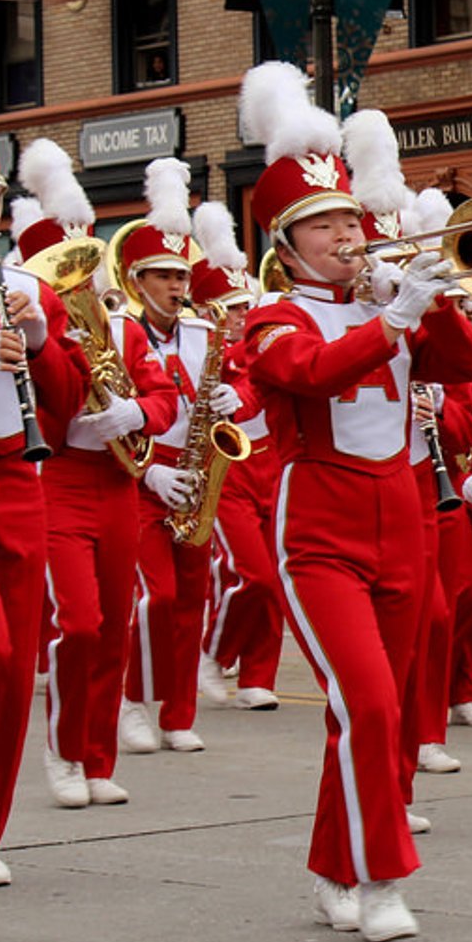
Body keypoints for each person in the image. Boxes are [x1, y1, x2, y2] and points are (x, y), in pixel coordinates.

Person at [237, 61, 472, 942]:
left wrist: (429, 305)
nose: (349, 233)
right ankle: (383, 880)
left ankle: (332, 866)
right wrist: (388, 323)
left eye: (351, 216)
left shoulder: (390, 300)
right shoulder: (273, 314)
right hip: (320, 534)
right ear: (287, 244)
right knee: (374, 707)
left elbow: (469, 370)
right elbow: (300, 373)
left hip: (404, 525)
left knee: (366, 711)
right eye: (325, 223)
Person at [23, 138, 179, 810]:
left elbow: (167, 397)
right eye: (68, 273)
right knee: (77, 623)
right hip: (60, 483)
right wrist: (54, 341)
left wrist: (135, 411)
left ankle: (96, 756)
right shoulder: (40, 333)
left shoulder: (129, 331)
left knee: (113, 622)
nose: (81, 284)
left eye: (86, 268)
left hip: (116, 486)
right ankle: (62, 750)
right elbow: (56, 398)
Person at [0, 107, 86, 886]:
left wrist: (42, 342)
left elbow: (70, 397)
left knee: (14, 666)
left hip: (19, 474)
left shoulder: (24, 285)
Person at [119, 158, 242, 756]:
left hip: (196, 478)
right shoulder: (120, 333)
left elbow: (248, 387)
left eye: (180, 274)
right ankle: (133, 701)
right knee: (154, 597)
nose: (176, 285)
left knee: (192, 595)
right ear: (135, 280)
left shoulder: (205, 334)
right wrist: (148, 470)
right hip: (141, 476)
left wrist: (235, 394)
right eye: (162, 275)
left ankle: (177, 712)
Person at [188, 203, 284, 711]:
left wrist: (242, 392)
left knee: (276, 579)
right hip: (227, 474)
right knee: (252, 573)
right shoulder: (198, 348)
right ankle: (213, 652)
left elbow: (268, 384)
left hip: (272, 464)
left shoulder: (261, 345)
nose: (242, 318)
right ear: (207, 313)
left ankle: (258, 675)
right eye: (231, 310)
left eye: (244, 307)